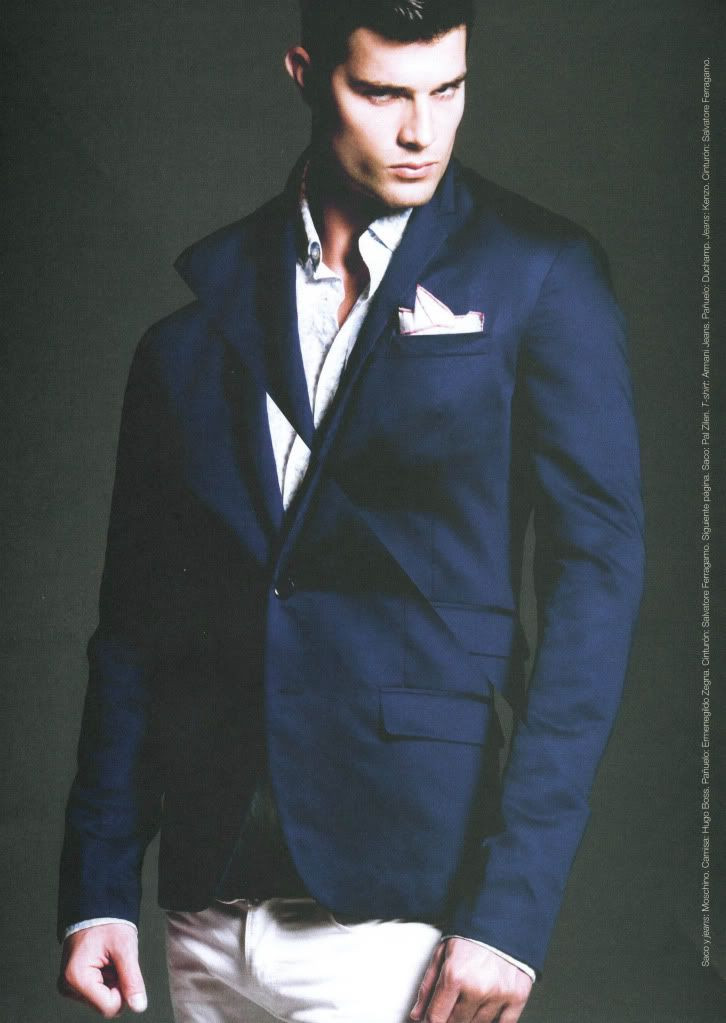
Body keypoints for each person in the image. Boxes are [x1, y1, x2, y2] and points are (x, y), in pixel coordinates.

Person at [57, 2, 645, 1020]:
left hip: (406, 907)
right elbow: (135, 625)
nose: (422, 131)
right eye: (381, 92)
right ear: (304, 71)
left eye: (448, 90)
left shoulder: (539, 272)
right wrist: (98, 885)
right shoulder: (195, 326)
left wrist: (513, 910)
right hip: (207, 905)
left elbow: (596, 588)